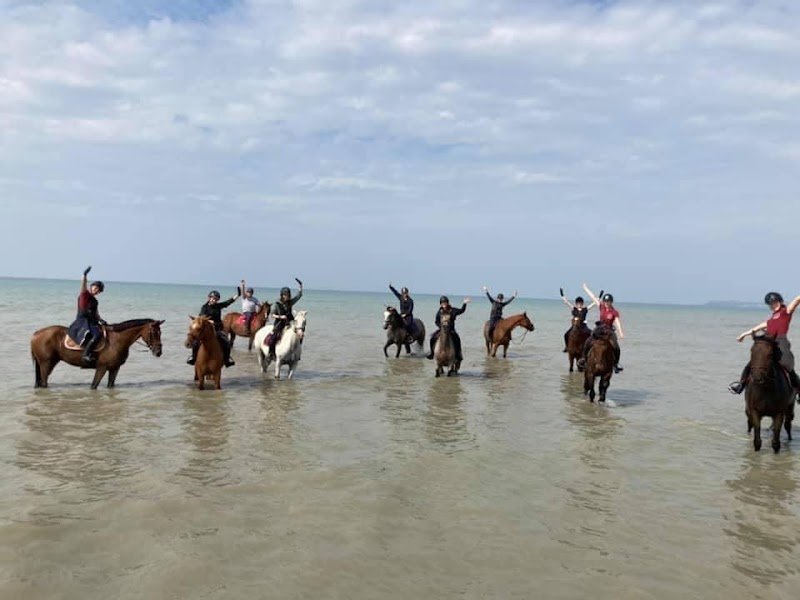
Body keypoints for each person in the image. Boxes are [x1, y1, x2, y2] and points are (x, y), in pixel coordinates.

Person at [728, 292, 800, 395]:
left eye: (775, 302)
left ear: (780, 302)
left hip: (781, 342)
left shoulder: (786, 312)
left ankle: (798, 390)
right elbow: (756, 328)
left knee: (787, 365)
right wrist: (743, 334)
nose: (773, 305)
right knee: (751, 364)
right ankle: (741, 385)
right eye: (770, 304)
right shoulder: (770, 320)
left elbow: (797, 300)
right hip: (768, 343)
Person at [187, 288, 240, 367]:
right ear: (209, 298)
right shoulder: (204, 307)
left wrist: (238, 295)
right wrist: (209, 321)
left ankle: (227, 359)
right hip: (206, 330)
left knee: (226, 342)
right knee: (195, 342)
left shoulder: (218, 306)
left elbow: (228, 302)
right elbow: (201, 318)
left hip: (217, 329)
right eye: (212, 298)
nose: (214, 300)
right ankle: (193, 357)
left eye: (216, 299)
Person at [580, 283, 624, 373]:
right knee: (588, 341)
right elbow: (593, 297)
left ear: (611, 302)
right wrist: (585, 288)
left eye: (608, 302)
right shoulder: (601, 307)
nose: (607, 303)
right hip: (599, 329)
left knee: (616, 346)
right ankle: (583, 359)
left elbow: (617, 322)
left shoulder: (614, 312)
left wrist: (621, 333)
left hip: (609, 331)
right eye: (605, 301)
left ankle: (615, 364)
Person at [68, 265, 106, 364]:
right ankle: (86, 355)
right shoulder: (84, 294)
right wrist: (84, 275)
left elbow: (96, 313)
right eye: (96, 288)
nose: (96, 290)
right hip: (82, 321)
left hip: (92, 321)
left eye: (99, 290)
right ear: (92, 286)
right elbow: (83, 285)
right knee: (97, 335)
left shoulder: (95, 301)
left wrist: (101, 320)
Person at [266, 278, 304, 360]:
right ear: (282, 295)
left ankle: (297, 352)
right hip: (280, 322)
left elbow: (298, 296)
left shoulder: (290, 302)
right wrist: (281, 317)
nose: (287, 296)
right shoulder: (276, 304)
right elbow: (272, 315)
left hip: (290, 322)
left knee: (300, 334)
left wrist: (300, 286)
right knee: (274, 337)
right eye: (285, 295)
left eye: (288, 295)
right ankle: (270, 353)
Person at [426, 295, 471, 361]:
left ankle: (458, 355)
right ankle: (432, 353)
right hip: (442, 330)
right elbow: (436, 321)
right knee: (432, 338)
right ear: (440, 304)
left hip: (451, 330)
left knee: (457, 339)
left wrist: (464, 303)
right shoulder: (439, 312)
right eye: (442, 303)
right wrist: (440, 327)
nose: (443, 304)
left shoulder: (453, 310)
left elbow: (462, 310)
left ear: (447, 303)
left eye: (445, 302)